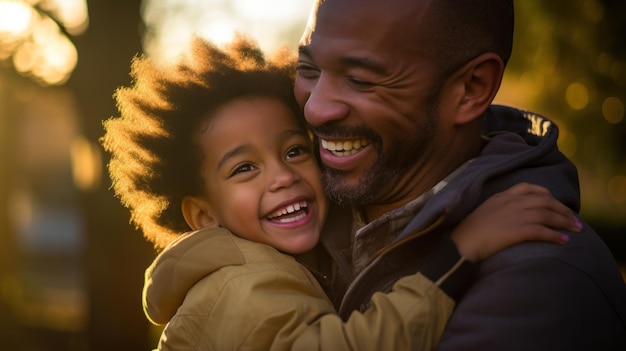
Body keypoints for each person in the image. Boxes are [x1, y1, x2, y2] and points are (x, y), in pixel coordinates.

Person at [102, 36, 580, 350]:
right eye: (245, 168)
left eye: (293, 151)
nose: (282, 177)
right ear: (203, 214)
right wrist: (458, 255)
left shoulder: (275, 261)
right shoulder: (238, 285)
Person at [294, 0, 626, 349]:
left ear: (471, 88)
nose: (315, 109)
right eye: (308, 68)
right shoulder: (275, 215)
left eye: (360, 79)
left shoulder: (541, 285)